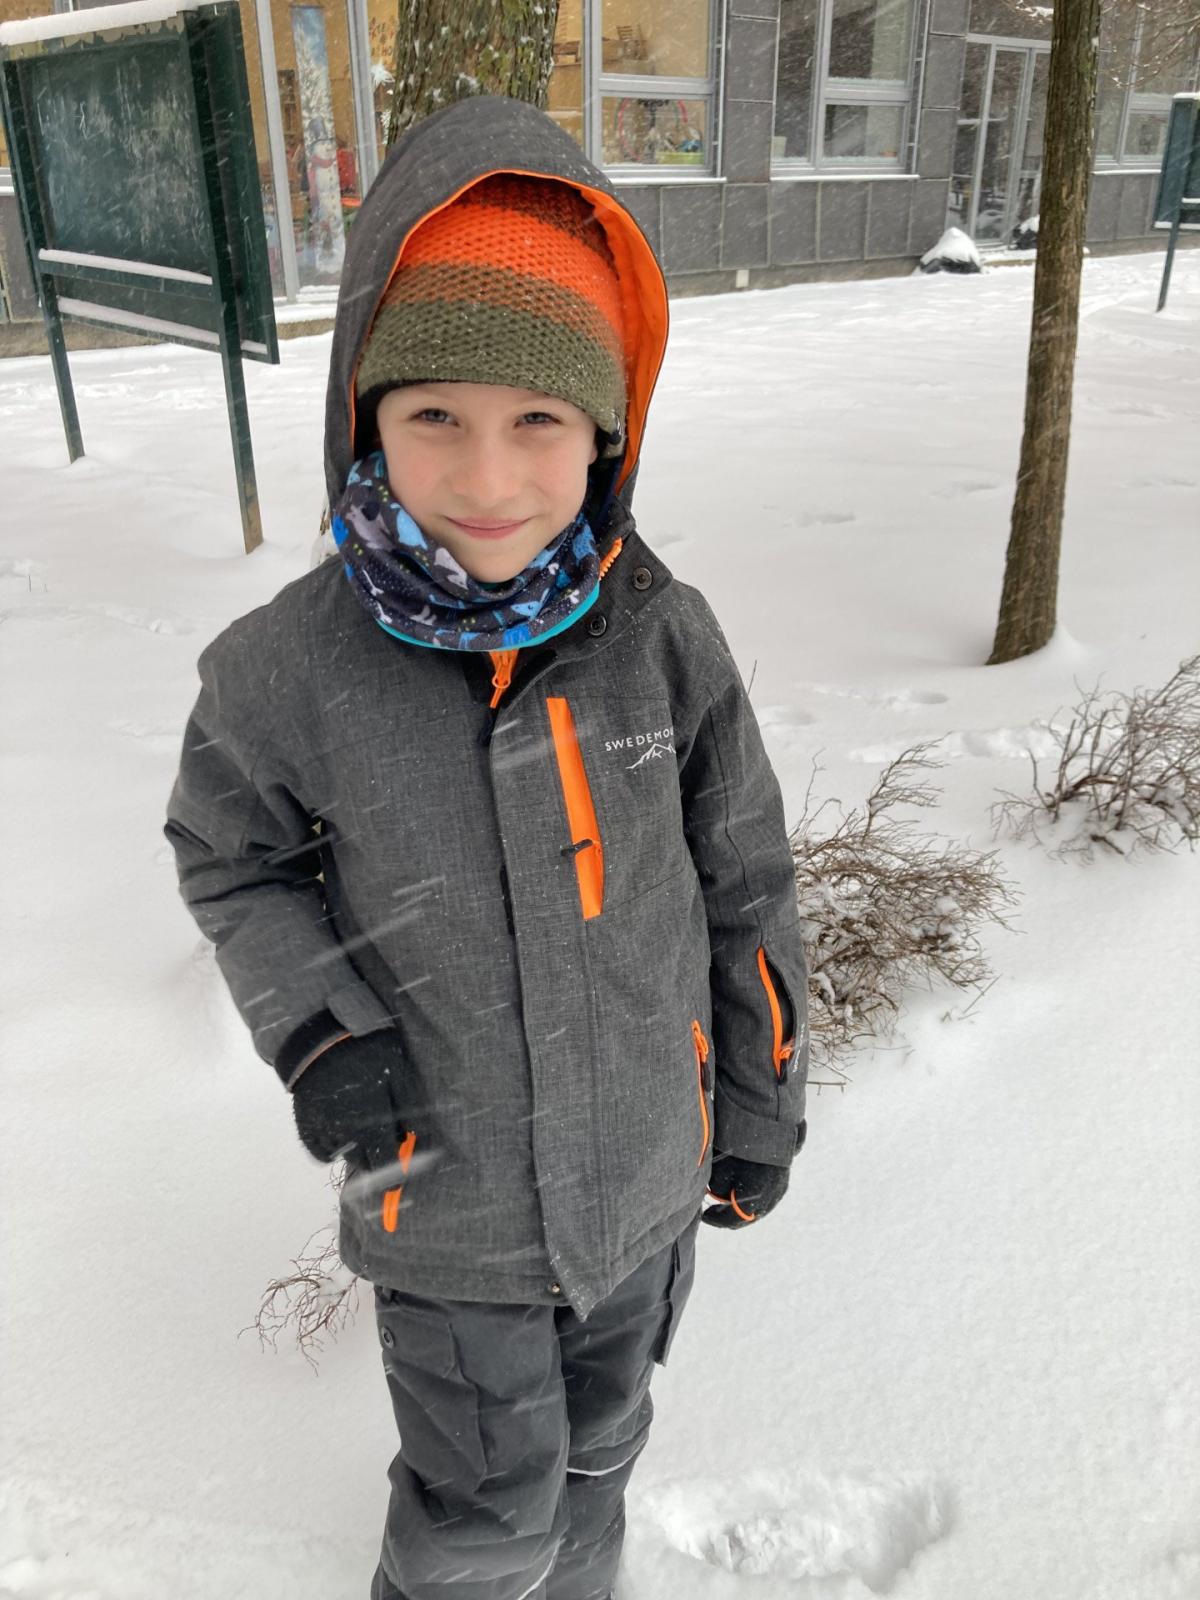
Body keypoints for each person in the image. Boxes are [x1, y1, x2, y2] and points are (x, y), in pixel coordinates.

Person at [165, 93, 809, 1600]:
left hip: (645, 1177)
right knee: (481, 1509)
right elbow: (231, 856)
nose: (488, 477)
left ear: (602, 437)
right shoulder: (286, 668)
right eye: (433, 417)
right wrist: (325, 1034)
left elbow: (746, 882)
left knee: (600, 1452)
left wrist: (758, 1104)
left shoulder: (661, 638)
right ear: (366, 421)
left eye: (538, 422)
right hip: (442, 1200)